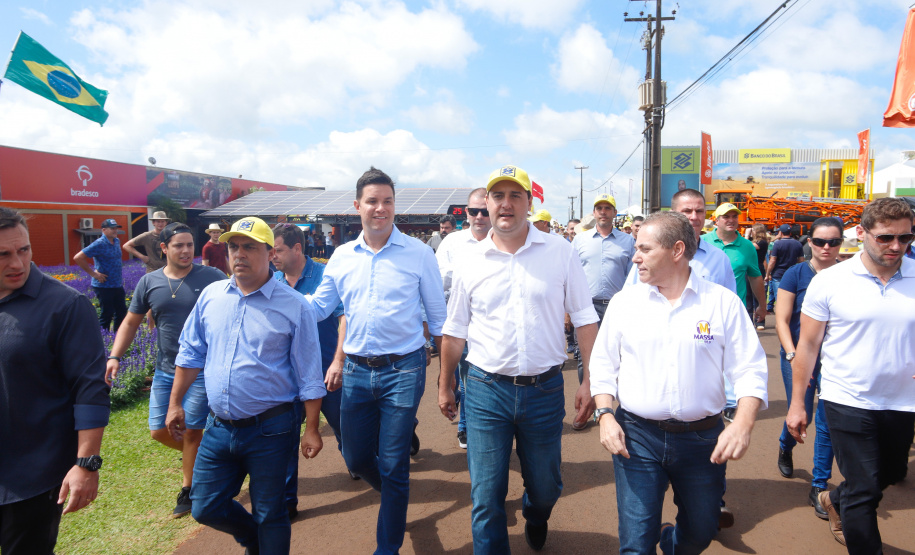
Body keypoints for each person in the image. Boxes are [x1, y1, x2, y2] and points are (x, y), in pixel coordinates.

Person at [438, 165, 599, 552]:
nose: (505, 204)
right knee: (486, 496)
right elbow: (455, 328)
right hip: (485, 389)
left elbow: (585, 318)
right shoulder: (470, 260)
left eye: (515, 196)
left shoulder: (559, 251)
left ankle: (536, 512)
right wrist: (445, 384)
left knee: (546, 487)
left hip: (543, 390)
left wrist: (590, 381)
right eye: (498, 196)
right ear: (487, 204)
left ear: (530, 202)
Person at [591, 211, 768, 555]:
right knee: (636, 541)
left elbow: (750, 368)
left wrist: (742, 424)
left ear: (676, 250)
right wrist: (606, 415)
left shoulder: (721, 303)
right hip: (637, 438)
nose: (634, 256)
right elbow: (602, 364)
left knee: (699, 534)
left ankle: (673, 543)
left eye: (644, 248)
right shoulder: (625, 303)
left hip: (703, 441)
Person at [166, 216, 325, 554]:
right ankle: (253, 539)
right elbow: (191, 352)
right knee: (204, 505)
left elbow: (310, 374)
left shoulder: (294, 306)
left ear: (270, 253)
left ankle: (265, 540)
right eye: (233, 246)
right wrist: (175, 402)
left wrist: (312, 428)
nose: (239, 254)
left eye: (249, 247)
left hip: (272, 428)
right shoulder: (212, 296)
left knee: (271, 511)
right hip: (219, 426)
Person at [310, 167, 446, 555]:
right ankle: (396, 496)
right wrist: (272, 292)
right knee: (354, 456)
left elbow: (438, 319)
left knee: (393, 461)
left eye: (387, 201)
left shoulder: (419, 254)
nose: (380, 208)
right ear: (357, 206)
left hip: (404, 368)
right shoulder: (340, 256)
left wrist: (448, 378)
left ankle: (387, 546)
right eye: (372, 201)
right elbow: (319, 307)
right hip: (354, 370)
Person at [786, 198, 915, 551]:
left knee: (887, 475)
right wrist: (798, 404)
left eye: (906, 238)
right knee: (865, 491)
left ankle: (834, 498)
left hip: (902, 402)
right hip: (846, 398)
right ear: (861, 233)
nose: (896, 246)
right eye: (886, 237)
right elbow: (808, 347)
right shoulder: (830, 282)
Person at [0, 207, 110, 554]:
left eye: (24, 250)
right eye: (3, 254)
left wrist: (86, 464)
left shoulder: (65, 306)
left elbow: (90, 390)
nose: (17, 264)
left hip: (33, 478)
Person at [105, 222, 226, 518]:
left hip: (202, 368)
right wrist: (115, 356)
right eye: (178, 246)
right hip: (165, 369)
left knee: (191, 430)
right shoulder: (150, 282)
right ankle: (216, 457)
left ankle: (188, 489)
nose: (186, 251)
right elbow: (131, 322)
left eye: (189, 245)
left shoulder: (212, 277)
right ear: (164, 248)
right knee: (159, 430)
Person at [271, 222, 349, 516]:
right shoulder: (273, 281)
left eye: (277, 250)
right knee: (287, 437)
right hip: (291, 377)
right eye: (270, 251)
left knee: (350, 435)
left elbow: (344, 318)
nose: (272, 256)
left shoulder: (325, 276)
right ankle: (287, 503)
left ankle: (361, 464)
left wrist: (338, 361)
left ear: (297, 248)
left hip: (328, 372)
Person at [773, 217, 840, 520]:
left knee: (827, 420)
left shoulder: (848, 276)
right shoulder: (795, 274)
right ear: (809, 242)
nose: (827, 247)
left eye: (834, 242)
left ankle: (819, 485)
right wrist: (790, 353)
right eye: (820, 241)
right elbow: (783, 319)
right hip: (798, 355)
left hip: (836, 361)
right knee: (803, 415)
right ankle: (785, 445)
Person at [435, 188, 492, 449]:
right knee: (468, 377)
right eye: (473, 211)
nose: (479, 216)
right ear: (466, 213)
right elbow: (440, 278)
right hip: (462, 323)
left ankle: (480, 424)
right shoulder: (452, 243)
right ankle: (466, 426)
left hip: (493, 324)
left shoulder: (503, 240)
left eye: (484, 211)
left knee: (485, 377)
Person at [702, 202, 767, 422]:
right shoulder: (702, 243)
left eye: (734, 216)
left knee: (734, 356)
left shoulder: (747, 247)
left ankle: (731, 402)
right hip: (704, 310)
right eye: (725, 216)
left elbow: (755, 276)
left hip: (734, 311)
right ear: (716, 220)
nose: (731, 220)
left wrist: (762, 304)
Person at [571, 194, 635, 401]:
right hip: (587, 307)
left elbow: (633, 276)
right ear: (594, 212)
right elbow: (571, 275)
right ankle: (588, 404)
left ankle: (617, 407)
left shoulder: (628, 241)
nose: (603, 211)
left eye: (608, 208)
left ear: (615, 213)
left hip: (618, 307)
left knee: (621, 356)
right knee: (585, 358)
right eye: (599, 208)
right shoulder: (580, 240)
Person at [74, 218, 127, 331]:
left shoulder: (116, 241)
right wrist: (93, 274)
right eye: (112, 228)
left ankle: (117, 336)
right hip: (104, 285)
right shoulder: (99, 244)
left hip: (117, 284)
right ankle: (103, 340)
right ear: (104, 230)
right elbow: (78, 257)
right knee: (107, 314)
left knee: (121, 312)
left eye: (116, 228)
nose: (115, 230)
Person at [765, 223, 805, 311]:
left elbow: (772, 261)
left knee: (780, 299)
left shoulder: (778, 244)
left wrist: (768, 274)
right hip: (792, 274)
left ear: (781, 232)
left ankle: (781, 320)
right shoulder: (797, 243)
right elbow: (801, 260)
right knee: (792, 298)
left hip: (778, 274)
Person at [749, 224, 769, 330]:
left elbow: (748, 246)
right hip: (751, 267)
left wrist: (747, 236)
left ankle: (760, 321)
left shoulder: (762, 242)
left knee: (757, 295)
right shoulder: (756, 242)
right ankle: (749, 321)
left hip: (757, 267)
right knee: (748, 296)